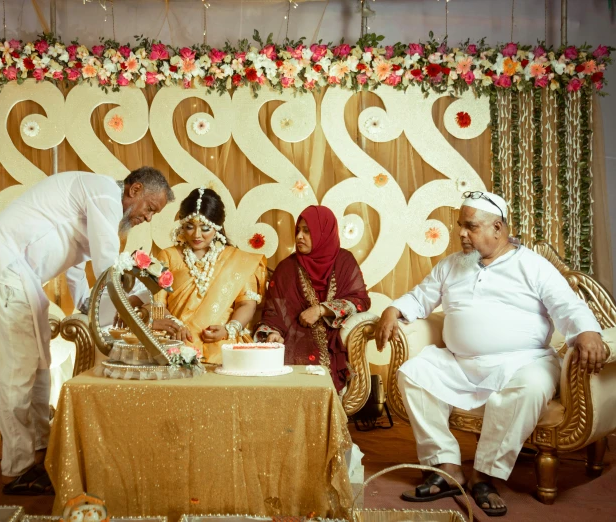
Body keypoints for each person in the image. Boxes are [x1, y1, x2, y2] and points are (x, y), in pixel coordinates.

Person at [374, 190, 608, 517]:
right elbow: (420, 297)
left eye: (470, 226)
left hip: (522, 363)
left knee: (531, 386)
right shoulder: (452, 265)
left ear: (497, 228)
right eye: (460, 225)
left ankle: (484, 475)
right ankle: (446, 467)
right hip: (461, 363)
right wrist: (392, 311)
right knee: (413, 373)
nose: (461, 234)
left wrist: (587, 332)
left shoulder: (531, 265)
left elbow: (567, 305)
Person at [0, 167, 173, 495]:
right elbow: (107, 268)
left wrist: (100, 310)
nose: (148, 218)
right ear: (133, 189)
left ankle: (43, 457)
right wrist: (139, 317)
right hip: (3, 264)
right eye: (150, 208)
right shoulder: (104, 190)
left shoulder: (95, 209)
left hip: (22, 275)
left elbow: (81, 284)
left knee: (40, 371)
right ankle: (18, 469)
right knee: (16, 373)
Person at [255, 205, 371, 392]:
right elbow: (274, 311)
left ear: (324, 233)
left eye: (307, 231)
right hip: (294, 339)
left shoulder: (344, 261)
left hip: (332, 338)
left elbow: (360, 300)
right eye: (298, 230)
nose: (299, 236)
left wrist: (321, 310)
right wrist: (273, 333)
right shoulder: (286, 268)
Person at [149, 187, 267, 364]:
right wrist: (175, 325)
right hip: (177, 344)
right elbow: (158, 304)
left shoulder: (238, 260)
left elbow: (246, 303)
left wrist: (229, 329)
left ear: (217, 227)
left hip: (223, 347)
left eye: (205, 228)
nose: (196, 235)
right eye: (189, 227)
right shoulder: (168, 256)